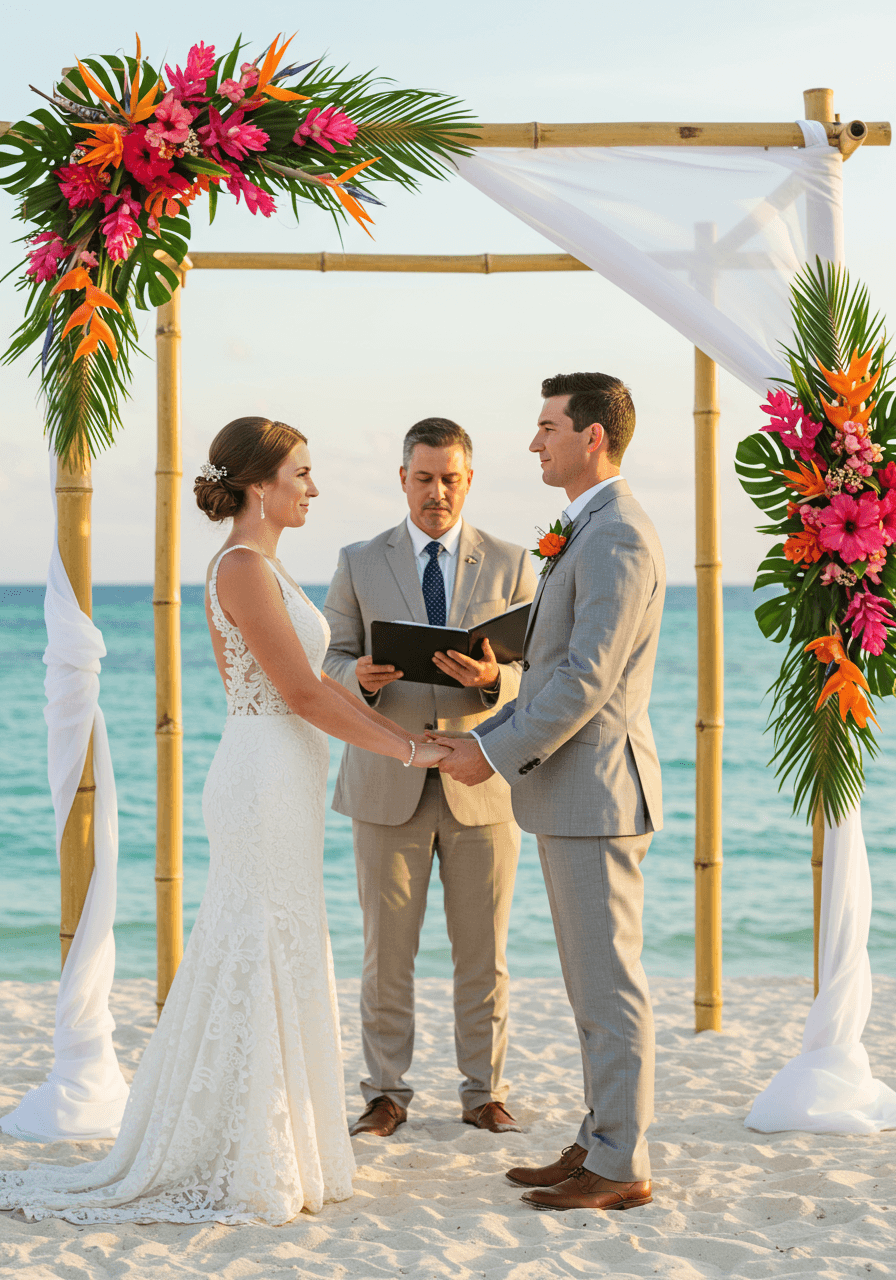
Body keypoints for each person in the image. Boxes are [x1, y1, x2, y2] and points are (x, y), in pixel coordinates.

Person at [0, 416, 448, 1225]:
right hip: (263, 778)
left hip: (286, 774)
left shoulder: (266, 566)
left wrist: (393, 733)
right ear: (259, 484)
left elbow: (315, 690)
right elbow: (304, 694)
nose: (313, 487)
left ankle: (275, 1134)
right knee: (258, 942)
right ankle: (244, 1144)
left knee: (279, 940)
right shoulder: (243, 567)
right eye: (302, 474)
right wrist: (411, 751)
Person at [436, 374, 665, 1213]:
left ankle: (622, 1163)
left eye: (547, 427)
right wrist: (499, 665)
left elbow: (585, 682)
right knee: (589, 985)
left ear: (593, 437)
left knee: (609, 987)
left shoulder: (617, 537)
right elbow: (559, 651)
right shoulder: (589, 529)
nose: (534, 443)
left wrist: (487, 752)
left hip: (598, 792)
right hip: (573, 794)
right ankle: (601, 1137)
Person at [323, 417, 537, 1137]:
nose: (436, 491)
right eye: (423, 478)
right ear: (403, 479)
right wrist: (358, 677)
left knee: (486, 954)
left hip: (483, 783)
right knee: (388, 954)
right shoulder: (358, 562)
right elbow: (326, 661)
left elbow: (538, 674)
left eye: (449, 478)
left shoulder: (513, 562)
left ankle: (485, 1093)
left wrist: (492, 680)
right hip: (387, 780)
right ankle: (385, 1094)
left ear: (468, 479)